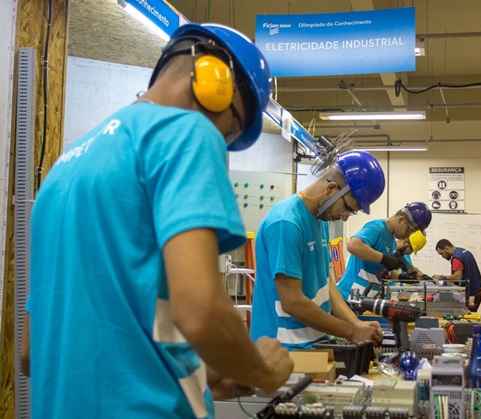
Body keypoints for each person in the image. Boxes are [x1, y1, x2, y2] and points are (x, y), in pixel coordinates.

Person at [23, 23, 294, 418]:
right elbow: (200, 311)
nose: (223, 142)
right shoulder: (187, 132)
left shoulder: (62, 171)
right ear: (214, 83)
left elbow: (33, 350)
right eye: (232, 125)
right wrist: (260, 369)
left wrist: (200, 368)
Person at [250, 151, 386, 349]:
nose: (346, 217)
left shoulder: (320, 220)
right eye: (348, 207)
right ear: (332, 189)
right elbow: (292, 302)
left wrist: (356, 324)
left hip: (313, 344)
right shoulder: (286, 223)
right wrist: (350, 331)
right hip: (282, 348)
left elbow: (327, 284)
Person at [337, 202, 432, 299]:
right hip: (348, 295)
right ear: (401, 220)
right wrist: (383, 258)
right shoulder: (377, 227)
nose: (408, 236)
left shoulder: (391, 242)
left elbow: (379, 272)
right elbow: (353, 245)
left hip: (365, 298)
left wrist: (409, 276)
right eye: (409, 231)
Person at [433, 239, 481, 311]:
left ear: (446, 248)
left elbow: (457, 277)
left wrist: (441, 277)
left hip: (471, 295)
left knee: (467, 317)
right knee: (471, 315)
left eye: (442, 253)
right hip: (477, 292)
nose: (442, 256)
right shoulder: (463, 251)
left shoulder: (456, 258)